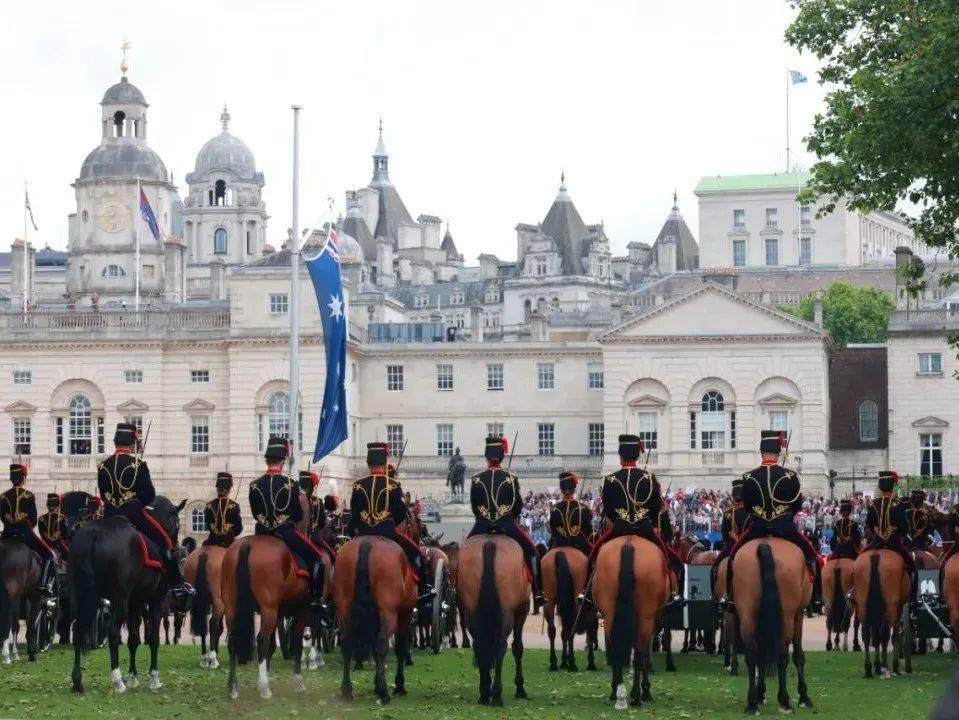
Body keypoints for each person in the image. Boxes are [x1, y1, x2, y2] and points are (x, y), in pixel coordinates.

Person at [97, 422, 192, 598]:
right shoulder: (138, 465)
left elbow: (103, 495)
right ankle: (176, 585)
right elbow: (149, 496)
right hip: (134, 516)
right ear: (132, 442)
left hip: (108, 516)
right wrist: (136, 500)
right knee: (167, 543)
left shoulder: (103, 466)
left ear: (116, 441)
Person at [725, 431, 820, 606]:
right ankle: (817, 599)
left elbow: (748, 507)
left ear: (761, 452)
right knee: (812, 556)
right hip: (785, 528)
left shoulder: (748, 477)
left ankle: (729, 597)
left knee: (732, 556)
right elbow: (796, 505)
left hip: (758, 528)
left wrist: (760, 516)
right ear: (778, 453)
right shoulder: (790, 476)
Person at [585, 434, 681, 604]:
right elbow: (656, 508)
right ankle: (673, 594)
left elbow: (609, 510)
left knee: (592, 557)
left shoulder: (610, 479)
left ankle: (586, 593)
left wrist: (623, 518)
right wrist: (641, 518)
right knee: (671, 559)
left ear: (620, 455)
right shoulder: (649, 478)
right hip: (644, 530)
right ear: (638, 454)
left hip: (619, 529)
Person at [349, 442, 434, 602]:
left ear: (368, 462)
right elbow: (401, 514)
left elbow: (354, 514)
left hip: (361, 533)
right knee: (417, 555)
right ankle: (424, 593)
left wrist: (353, 532)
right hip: (388, 532)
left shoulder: (358, 485)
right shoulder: (394, 485)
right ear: (385, 462)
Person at [248, 436, 326, 609]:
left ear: (267, 460)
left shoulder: (254, 485)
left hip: (261, 533)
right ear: (283, 461)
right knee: (317, 558)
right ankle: (315, 599)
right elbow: (297, 515)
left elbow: (255, 513)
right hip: (286, 533)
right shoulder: (291, 484)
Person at [468, 434, 544, 607]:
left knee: (463, 551)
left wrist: (485, 516)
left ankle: (458, 589)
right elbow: (517, 505)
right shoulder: (511, 477)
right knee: (532, 552)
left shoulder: (476, 479)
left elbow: (474, 507)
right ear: (501, 455)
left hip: (481, 526)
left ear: (487, 455)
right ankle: (538, 592)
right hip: (507, 525)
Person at [0, 464, 56, 596]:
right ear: (23, 478)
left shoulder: (2, 497)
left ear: (12, 478)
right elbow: (33, 521)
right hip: (25, 534)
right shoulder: (29, 495)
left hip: (7, 534)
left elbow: (2, 517)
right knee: (49, 555)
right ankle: (44, 585)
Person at [864, 470, 916, 598]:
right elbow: (904, 527)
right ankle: (913, 598)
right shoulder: (899, 504)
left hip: (876, 544)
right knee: (912, 566)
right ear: (893, 485)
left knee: (858, 562)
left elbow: (869, 525)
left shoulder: (873, 504)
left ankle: (854, 592)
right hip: (895, 544)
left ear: (880, 486)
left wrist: (877, 534)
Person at [547, 471, 593, 555]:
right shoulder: (584, 508)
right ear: (574, 488)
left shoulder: (554, 509)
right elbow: (588, 531)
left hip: (558, 544)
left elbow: (553, 529)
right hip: (579, 545)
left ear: (561, 489)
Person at [299, 470, 336, 565]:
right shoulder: (318, 502)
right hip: (314, 538)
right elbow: (321, 524)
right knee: (332, 556)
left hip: (294, 536)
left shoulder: (294, 498)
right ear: (311, 487)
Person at [202, 472, 243, 548]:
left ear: (217, 489)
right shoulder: (234, 505)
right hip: (228, 542)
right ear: (229, 489)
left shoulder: (209, 505)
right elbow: (238, 528)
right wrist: (229, 534)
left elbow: (208, 524)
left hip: (212, 540)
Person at [37, 492, 71, 560]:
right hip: (58, 544)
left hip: (44, 545)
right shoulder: (62, 518)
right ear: (57, 505)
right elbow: (66, 535)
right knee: (70, 556)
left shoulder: (41, 518)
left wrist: (48, 538)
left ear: (48, 505)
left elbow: (41, 533)